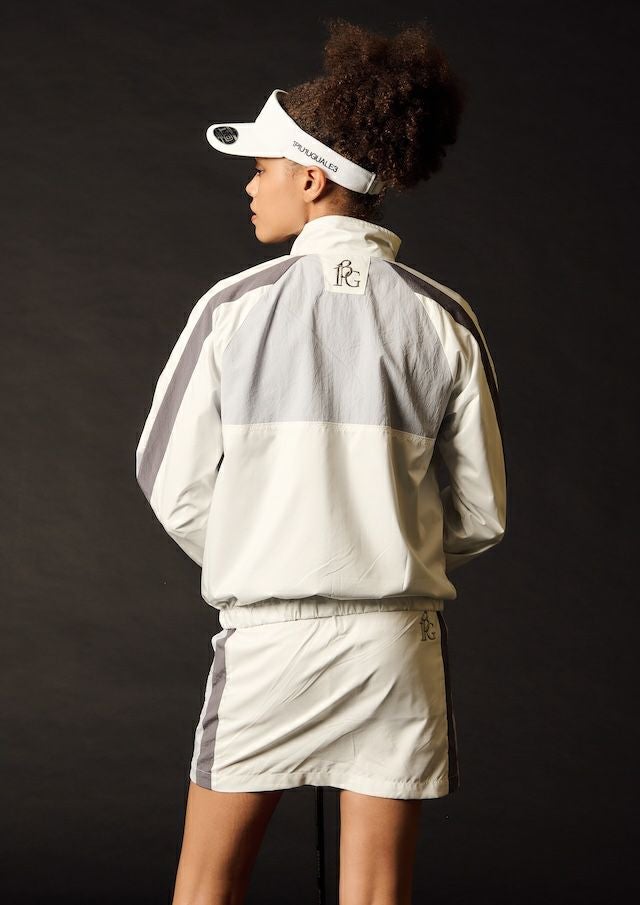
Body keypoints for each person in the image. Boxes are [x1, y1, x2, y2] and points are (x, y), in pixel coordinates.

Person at [135, 17, 507, 905]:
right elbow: (482, 513)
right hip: (396, 640)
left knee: (206, 884)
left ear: (311, 177)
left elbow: (169, 483)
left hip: (268, 638)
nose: (251, 185)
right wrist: (381, 552)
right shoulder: (444, 317)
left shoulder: (230, 308)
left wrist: (266, 549)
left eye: (261, 168)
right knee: (377, 892)